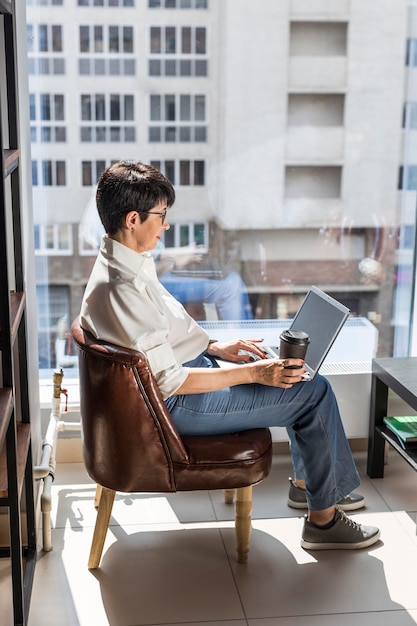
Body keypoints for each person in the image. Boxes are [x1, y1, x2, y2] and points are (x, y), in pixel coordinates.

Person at [80, 160, 380, 551]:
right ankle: (322, 523)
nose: (166, 225)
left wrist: (214, 347)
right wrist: (256, 373)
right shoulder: (123, 287)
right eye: (161, 216)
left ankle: (312, 486)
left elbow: (163, 323)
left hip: (177, 382)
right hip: (174, 405)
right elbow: (171, 381)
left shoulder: (122, 261)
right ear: (133, 218)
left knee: (294, 377)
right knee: (312, 390)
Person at [154, 241, 253, 320]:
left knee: (233, 277)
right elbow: (147, 271)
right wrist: (175, 260)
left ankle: (245, 337)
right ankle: (240, 337)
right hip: (160, 281)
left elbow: (157, 254)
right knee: (230, 287)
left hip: (167, 275)